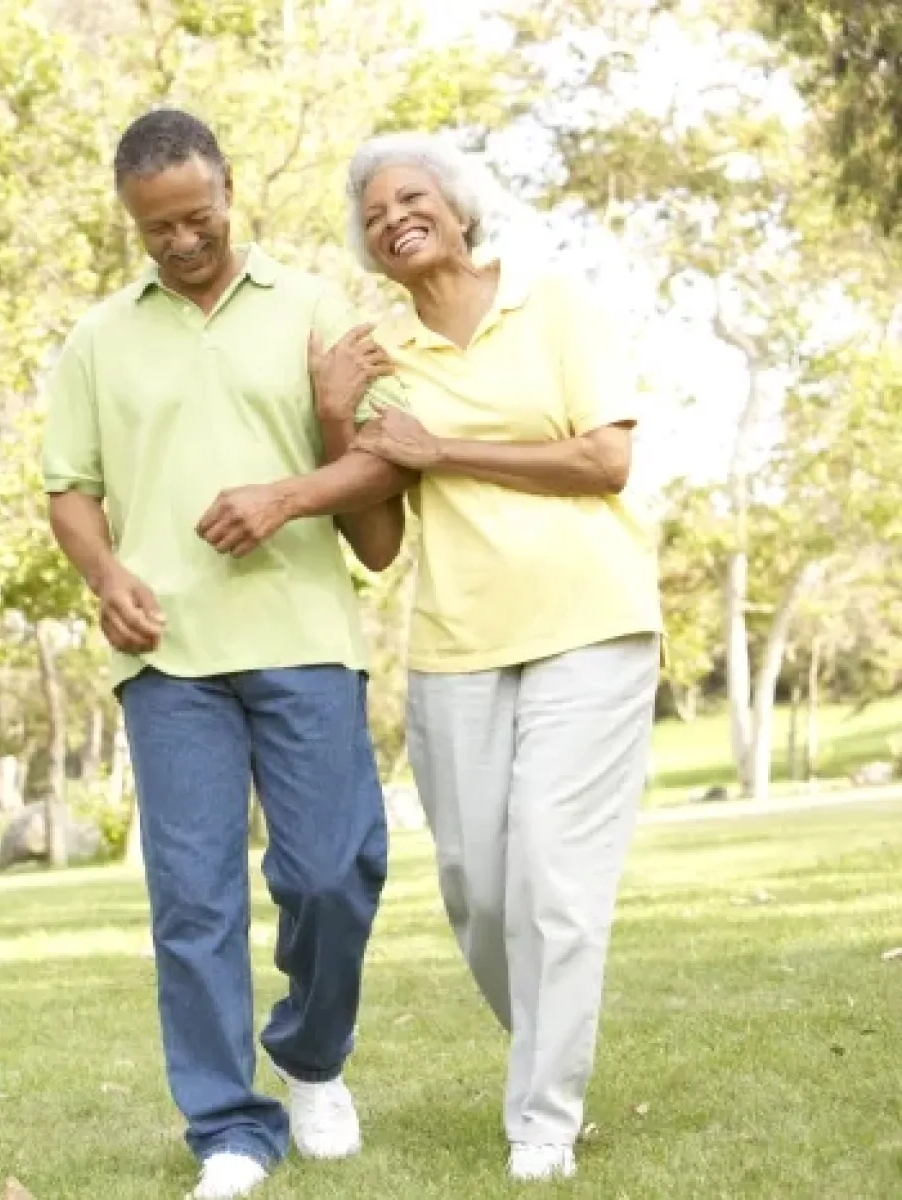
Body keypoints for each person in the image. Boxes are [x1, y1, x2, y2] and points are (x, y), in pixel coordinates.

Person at [40, 108, 409, 1200]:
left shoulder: (312, 308)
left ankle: (309, 1055)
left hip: (303, 637)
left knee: (334, 870)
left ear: (229, 190)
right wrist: (107, 580)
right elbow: (70, 490)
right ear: (131, 223)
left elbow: (383, 482)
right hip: (170, 663)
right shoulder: (98, 339)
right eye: (156, 230)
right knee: (192, 901)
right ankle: (228, 1130)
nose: (181, 242)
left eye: (195, 217)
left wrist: (300, 471)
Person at [306, 132, 665, 1182]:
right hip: (457, 644)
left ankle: (541, 1121)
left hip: (589, 625)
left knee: (554, 879)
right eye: (372, 216)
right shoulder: (380, 360)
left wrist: (444, 449)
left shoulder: (554, 306)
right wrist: (337, 420)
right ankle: (553, 1045)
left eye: (410, 198)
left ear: (460, 209)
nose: (392, 219)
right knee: (474, 887)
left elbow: (604, 459)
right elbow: (376, 545)